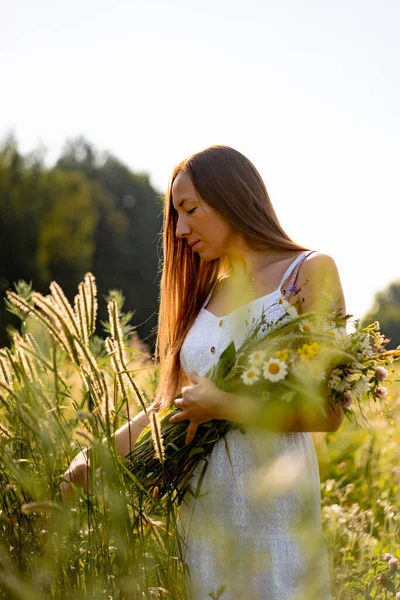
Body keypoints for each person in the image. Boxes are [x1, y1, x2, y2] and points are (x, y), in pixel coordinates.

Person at [62, 145, 345, 599]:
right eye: (175, 214)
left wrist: (224, 405)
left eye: (189, 209)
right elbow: (172, 406)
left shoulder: (308, 271)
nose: (179, 228)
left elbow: (328, 413)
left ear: (231, 196)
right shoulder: (208, 295)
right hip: (205, 511)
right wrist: (95, 457)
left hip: (273, 512)